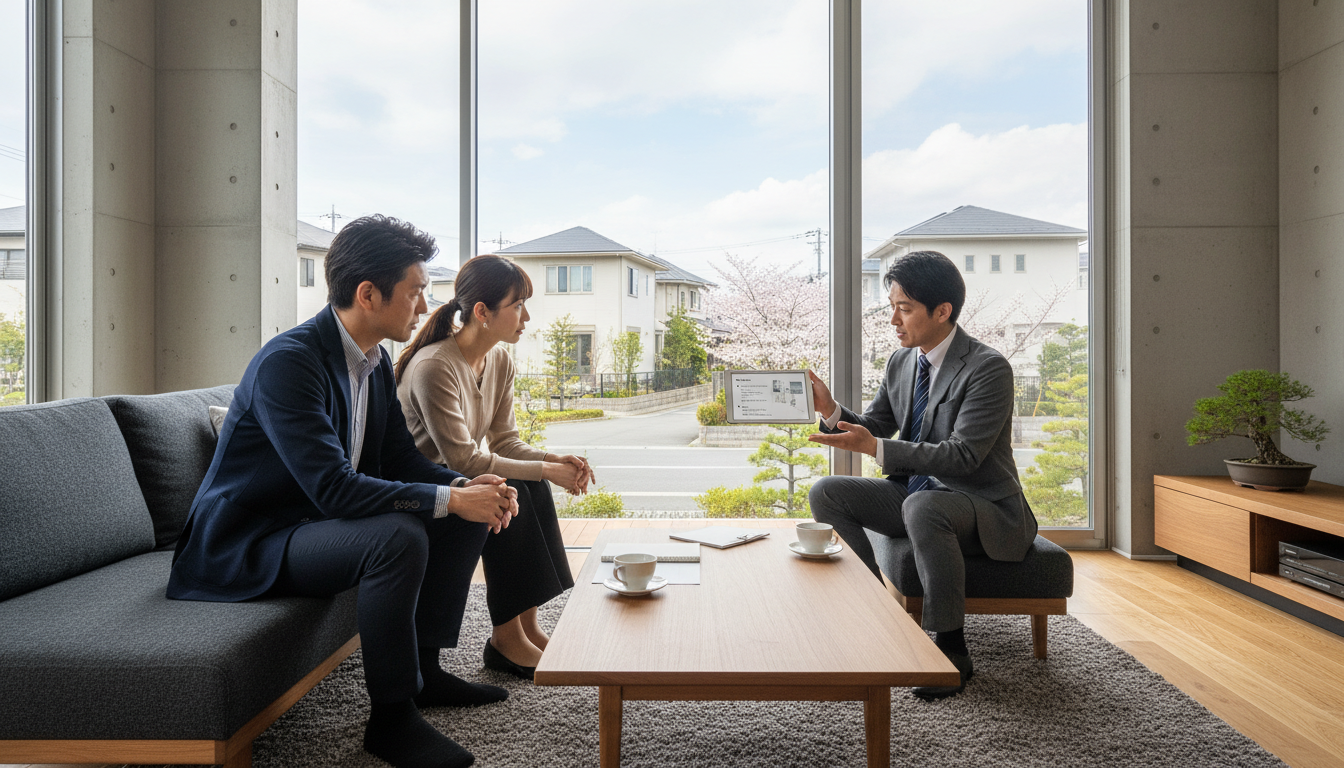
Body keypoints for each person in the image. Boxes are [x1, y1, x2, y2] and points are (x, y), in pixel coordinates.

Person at [167, 215, 519, 768]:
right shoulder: (290, 364)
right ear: (368, 294)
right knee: (398, 536)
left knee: (464, 508)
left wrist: (464, 486)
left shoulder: (373, 361)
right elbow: (334, 489)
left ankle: (425, 672)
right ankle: (392, 720)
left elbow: (400, 459)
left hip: (312, 526)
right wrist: (451, 497)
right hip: (250, 542)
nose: (426, 306)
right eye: (415, 292)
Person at [806, 250, 1038, 701]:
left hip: (983, 506)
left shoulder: (988, 368)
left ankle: (952, 650)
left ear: (942, 311)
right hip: (917, 496)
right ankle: (878, 614)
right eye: (892, 306)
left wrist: (875, 448)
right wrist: (830, 410)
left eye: (905, 308)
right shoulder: (902, 362)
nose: (893, 319)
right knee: (827, 492)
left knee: (924, 506)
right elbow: (876, 425)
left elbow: (964, 456)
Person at [395, 254, 591, 680]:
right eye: (517, 306)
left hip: (464, 480)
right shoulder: (434, 366)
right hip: (428, 490)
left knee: (530, 485)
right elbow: (463, 459)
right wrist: (546, 471)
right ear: (482, 312)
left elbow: (505, 441)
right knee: (512, 486)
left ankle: (527, 629)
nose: (526, 317)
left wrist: (552, 461)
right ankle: (506, 639)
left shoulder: (500, 360)